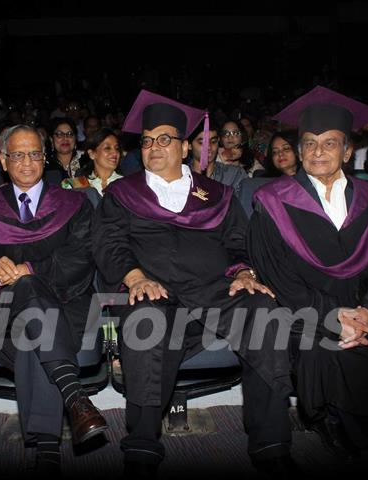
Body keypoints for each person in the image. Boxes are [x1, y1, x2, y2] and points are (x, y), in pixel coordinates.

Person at [92, 91, 294, 476]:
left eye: (165, 138)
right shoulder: (122, 193)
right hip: (155, 292)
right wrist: (135, 277)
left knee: (264, 312)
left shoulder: (216, 194)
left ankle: (271, 446)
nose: (154, 147)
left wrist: (243, 273)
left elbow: (239, 242)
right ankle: (142, 449)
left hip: (215, 292)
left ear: (185, 147)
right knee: (145, 322)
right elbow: (108, 244)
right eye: (148, 140)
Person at [253, 87, 368, 464]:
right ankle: (360, 436)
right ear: (299, 151)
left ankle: (366, 418)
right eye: (309, 144)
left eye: (330, 143)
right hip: (309, 311)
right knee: (333, 352)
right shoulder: (273, 201)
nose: (318, 152)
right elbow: (279, 275)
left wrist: (367, 312)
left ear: (348, 152)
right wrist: (334, 318)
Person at [0, 124, 108, 475]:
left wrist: (29, 268)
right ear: (3, 159)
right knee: (33, 309)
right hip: (1, 310)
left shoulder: (74, 202)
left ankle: (46, 448)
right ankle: (75, 400)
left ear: (45, 159)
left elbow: (80, 258)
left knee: (36, 323)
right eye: (18, 154)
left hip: (65, 300)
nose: (27, 162)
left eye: (34, 154)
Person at [187, 123, 247, 193]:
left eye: (213, 142)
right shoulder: (181, 174)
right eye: (202, 143)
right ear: (189, 145)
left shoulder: (234, 175)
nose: (209, 147)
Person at [61, 127, 123, 195]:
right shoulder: (77, 184)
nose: (115, 153)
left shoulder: (126, 184)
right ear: (92, 154)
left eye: (117, 148)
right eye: (107, 148)